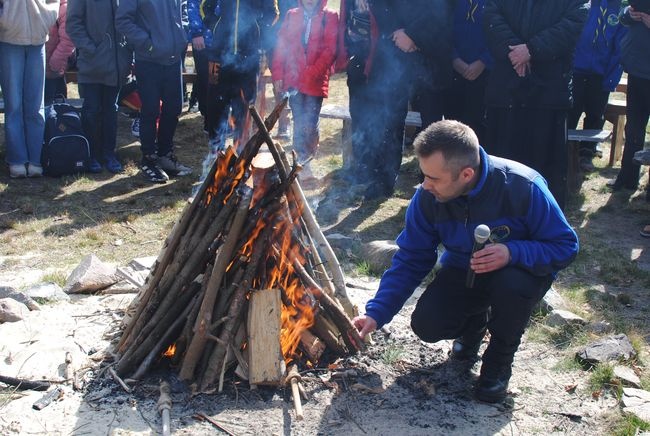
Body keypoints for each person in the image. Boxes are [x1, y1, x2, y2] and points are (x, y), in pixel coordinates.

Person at [353, 120, 579, 403]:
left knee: (511, 285)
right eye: (424, 175)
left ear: (466, 174)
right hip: (465, 270)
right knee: (427, 324)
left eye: (433, 178)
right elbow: (411, 258)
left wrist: (513, 253)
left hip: (518, 274)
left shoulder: (523, 186)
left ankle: (498, 362)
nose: (425, 185)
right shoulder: (427, 198)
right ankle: (474, 326)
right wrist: (377, 313)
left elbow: (565, 246)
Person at [482, 0, 588, 210]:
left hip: (549, 90)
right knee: (502, 159)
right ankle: (499, 215)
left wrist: (532, 49)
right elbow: (491, 15)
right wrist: (514, 50)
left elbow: (572, 23)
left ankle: (543, 219)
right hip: (507, 87)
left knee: (545, 163)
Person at [116, 0, 192, 183]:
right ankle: (149, 160)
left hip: (173, 59)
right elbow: (123, 20)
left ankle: (165, 155)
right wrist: (147, 44)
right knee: (150, 110)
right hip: (148, 61)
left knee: (173, 108)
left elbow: (182, 12)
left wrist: (182, 36)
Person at [272, 0, 338, 180]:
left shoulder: (330, 17)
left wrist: (311, 73)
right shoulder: (292, 15)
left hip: (315, 81)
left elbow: (330, 50)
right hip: (293, 80)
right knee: (299, 118)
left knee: (310, 121)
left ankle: (306, 158)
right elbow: (281, 46)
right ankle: (300, 163)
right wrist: (278, 74)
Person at [67, 0, 132, 174]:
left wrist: (128, 55)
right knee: (91, 110)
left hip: (117, 65)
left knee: (111, 110)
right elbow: (73, 23)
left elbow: (131, 20)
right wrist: (91, 49)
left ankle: (109, 154)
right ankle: (92, 155)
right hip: (92, 64)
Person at [0, 0, 58, 178]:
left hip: (38, 41)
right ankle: (17, 160)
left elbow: (55, 2)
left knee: (36, 105)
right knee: (14, 104)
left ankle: (35, 159)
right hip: (9, 40)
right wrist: (5, 19)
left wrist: (47, 17)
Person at [568, 0, 626, 173]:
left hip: (601, 73)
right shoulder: (583, 4)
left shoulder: (619, 9)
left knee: (595, 114)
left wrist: (611, 77)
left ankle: (587, 152)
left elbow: (620, 48)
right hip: (575, 70)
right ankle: (564, 150)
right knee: (570, 111)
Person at [608, 5, 650, 195]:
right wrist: (629, 14)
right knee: (633, 127)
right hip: (637, 71)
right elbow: (622, 16)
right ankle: (627, 177)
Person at [445, 0, 492, 144]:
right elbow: (441, 25)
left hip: (485, 72)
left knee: (477, 126)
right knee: (452, 126)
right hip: (453, 70)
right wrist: (453, 59)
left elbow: (501, 30)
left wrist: (484, 61)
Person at [44, 0, 75, 105]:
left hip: (54, 71)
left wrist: (55, 64)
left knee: (56, 108)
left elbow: (68, 41)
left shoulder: (64, 9)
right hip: (38, 68)